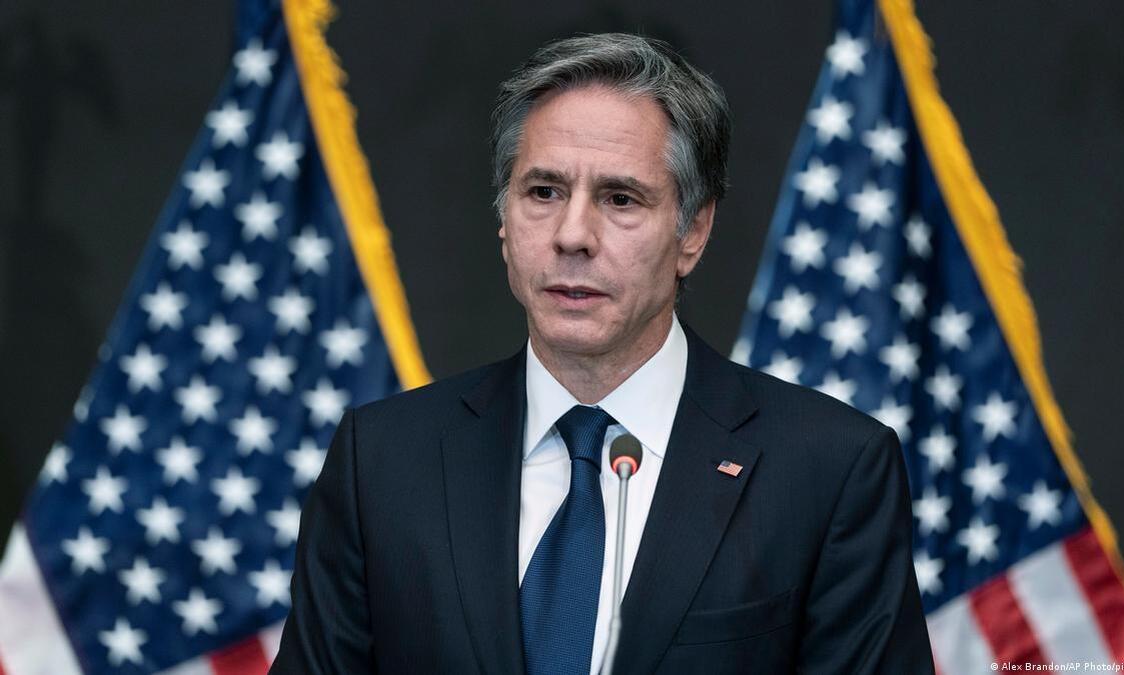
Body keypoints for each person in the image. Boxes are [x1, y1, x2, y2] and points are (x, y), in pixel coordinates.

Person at [271, 33, 934, 674]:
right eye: (543, 192)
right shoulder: (381, 462)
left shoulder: (830, 470)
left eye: (620, 199)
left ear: (693, 231)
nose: (572, 235)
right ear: (504, 219)